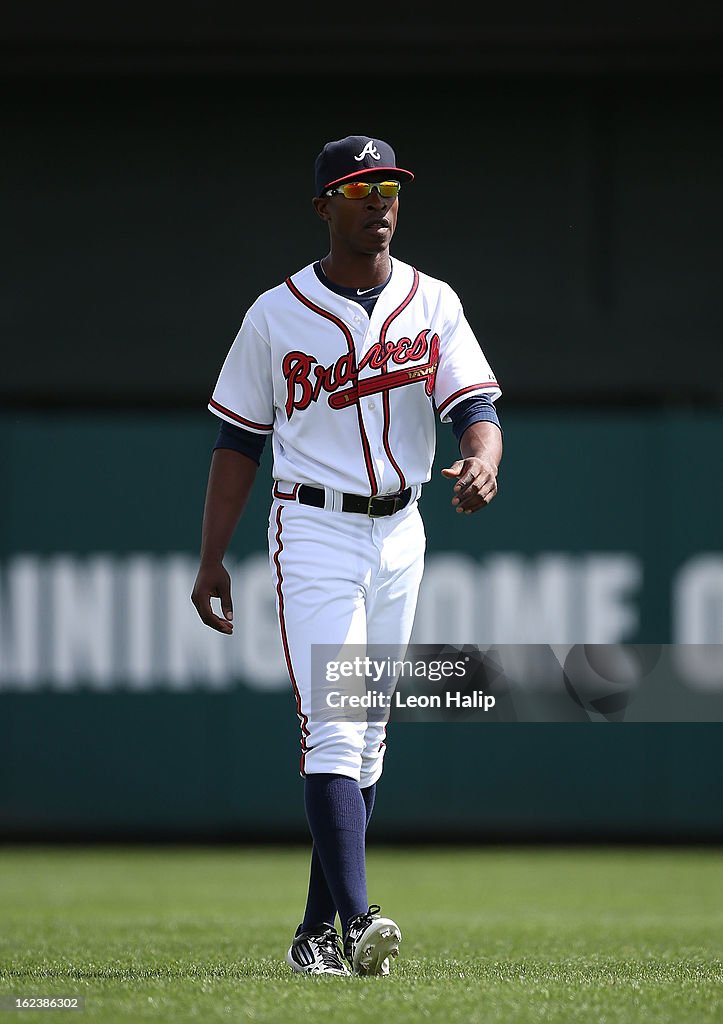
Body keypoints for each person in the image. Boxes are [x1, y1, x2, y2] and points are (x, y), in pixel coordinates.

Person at [191, 135, 503, 977]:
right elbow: (237, 441)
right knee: (333, 726)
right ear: (325, 205)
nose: (380, 203)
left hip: (401, 528)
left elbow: (475, 404)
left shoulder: (431, 300)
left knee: (366, 738)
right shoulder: (275, 312)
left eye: (390, 187)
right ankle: (359, 920)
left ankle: (310, 938)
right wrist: (211, 557)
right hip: (315, 528)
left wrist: (483, 457)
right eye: (361, 188)